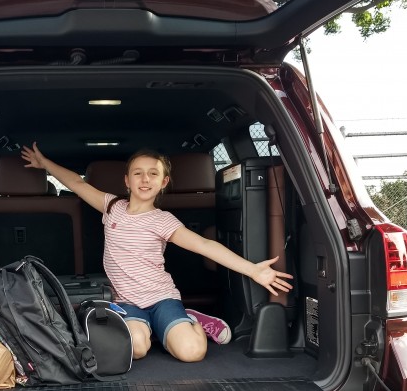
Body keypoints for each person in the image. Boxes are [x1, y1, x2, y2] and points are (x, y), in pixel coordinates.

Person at [21, 143, 293, 363]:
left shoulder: (163, 220)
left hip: (162, 298)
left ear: (164, 182)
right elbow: (77, 184)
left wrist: (254, 270)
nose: (145, 179)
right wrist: (45, 164)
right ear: (127, 180)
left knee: (192, 353)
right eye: (138, 173)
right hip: (127, 301)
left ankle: (192, 320)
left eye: (153, 173)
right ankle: (162, 328)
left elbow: (205, 245)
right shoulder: (112, 207)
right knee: (137, 348)